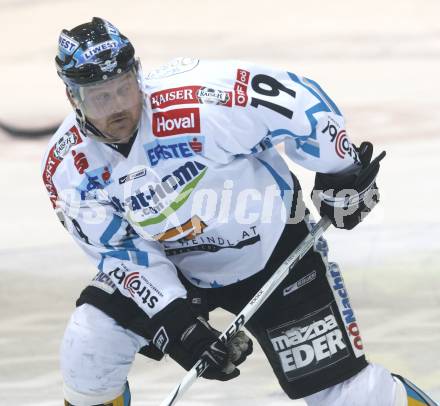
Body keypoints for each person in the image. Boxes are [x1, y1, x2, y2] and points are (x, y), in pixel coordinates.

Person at [42, 17, 437, 406]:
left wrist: (342, 169)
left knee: (353, 397)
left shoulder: (201, 100)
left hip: (274, 252)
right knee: (88, 346)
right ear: (73, 98)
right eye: (101, 97)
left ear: (137, 74)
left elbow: (300, 101)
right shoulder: (67, 169)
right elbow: (118, 251)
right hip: (174, 262)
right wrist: (174, 321)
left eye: (124, 88)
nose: (119, 107)